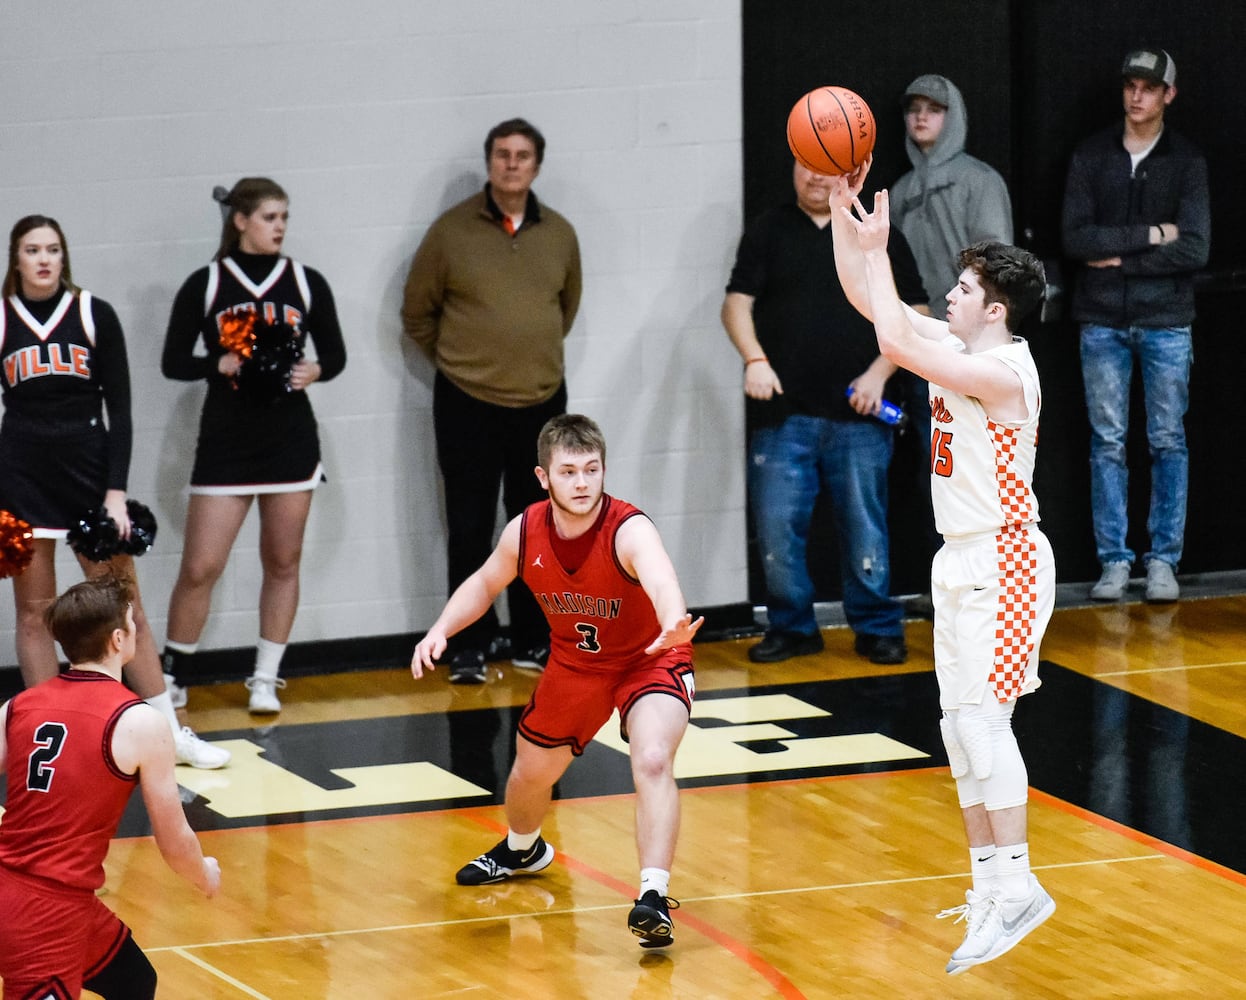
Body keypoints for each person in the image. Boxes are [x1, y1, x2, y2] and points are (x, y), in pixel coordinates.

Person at [829, 161, 1055, 974]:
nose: (949, 296)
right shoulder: (959, 342)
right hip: (960, 558)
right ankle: (991, 886)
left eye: (961, 288)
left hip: (1008, 555)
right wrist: (840, 222)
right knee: (955, 726)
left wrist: (880, 247)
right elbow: (872, 309)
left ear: (995, 309)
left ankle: (1020, 883)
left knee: (985, 722)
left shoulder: (1001, 373)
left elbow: (892, 333)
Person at [411, 414, 702, 948]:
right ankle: (523, 849)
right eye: (568, 472)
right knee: (527, 776)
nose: (583, 482)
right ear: (543, 477)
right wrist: (442, 629)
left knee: (653, 758)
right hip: (576, 665)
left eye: (592, 469)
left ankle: (653, 895)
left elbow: (661, 577)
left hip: (649, 658)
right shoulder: (524, 531)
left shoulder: (628, 528)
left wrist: (673, 621)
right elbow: (484, 582)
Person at [0, 214, 229, 769]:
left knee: (127, 612)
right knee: (34, 614)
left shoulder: (92, 313)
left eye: (53, 248)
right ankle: (49, 738)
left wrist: (115, 492)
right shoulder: (2, 319)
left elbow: (120, 410)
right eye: (33, 250)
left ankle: (168, 734)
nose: (45, 259)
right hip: (20, 480)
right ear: (16, 258)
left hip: (88, 476)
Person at [721, 161, 923, 665]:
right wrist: (754, 359)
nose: (814, 178)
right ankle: (791, 627)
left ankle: (876, 626)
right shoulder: (768, 230)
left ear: (847, 177)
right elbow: (735, 303)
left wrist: (880, 374)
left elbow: (915, 310)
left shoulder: (874, 233)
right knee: (775, 528)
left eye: (826, 169)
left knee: (866, 528)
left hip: (861, 415)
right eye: (805, 165)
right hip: (783, 414)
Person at [402, 118, 582, 684]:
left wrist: (525, 355)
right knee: (470, 525)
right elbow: (417, 314)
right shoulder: (450, 232)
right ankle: (468, 646)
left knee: (537, 529)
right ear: (489, 164)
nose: (511, 164)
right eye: (502, 154)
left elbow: (565, 309)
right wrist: (467, 362)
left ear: (536, 166)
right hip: (466, 402)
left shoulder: (560, 234)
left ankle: (534, 640)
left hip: (541, 403)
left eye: (522, 156)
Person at [160, 178, 347, 716]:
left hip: (290, 440)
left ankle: (265, 677)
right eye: (269, 217)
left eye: (284, 217)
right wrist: (214, 363)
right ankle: (175, 674)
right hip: (227, 442)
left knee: (283, 561)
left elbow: (333, 355)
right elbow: (173, 360)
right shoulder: (208, 282)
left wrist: (316, 369)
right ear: (239, 220)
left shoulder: (306, 282)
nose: (280, 227)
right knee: (201, 566)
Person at [0, 573, 220, 998]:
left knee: (133, 980)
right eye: (133, 623)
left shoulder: (19, 706)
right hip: (45, 916)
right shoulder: (140, 722)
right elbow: (173, 840)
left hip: (54, 898)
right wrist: (203, 873)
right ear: (119, 639)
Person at [1062, 48, 1210, 603]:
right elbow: (1077, 239)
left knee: (1168, 440)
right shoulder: (1092, 153)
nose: (1137, 96)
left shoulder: (1187, 161)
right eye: (1130, 85)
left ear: (1169, 94)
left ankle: (1164, 560)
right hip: (1100, 319)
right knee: (1108, 443)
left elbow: (1196, 246)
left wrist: (1121, 259)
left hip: (1167, 319)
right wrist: (1151, 235)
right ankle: (1115, 560)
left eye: (1149, 87)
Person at [890, 75, 1016, 585]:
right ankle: (950, 578)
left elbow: (998, 271)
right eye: (914, 107)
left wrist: (981, 348)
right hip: (921, 349)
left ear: (953, 116)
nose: (922, 117)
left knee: (978, 465)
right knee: (934, 467)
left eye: (934, 109)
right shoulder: (896, 193)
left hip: (973, 355)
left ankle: (996, 575)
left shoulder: (979, 181)